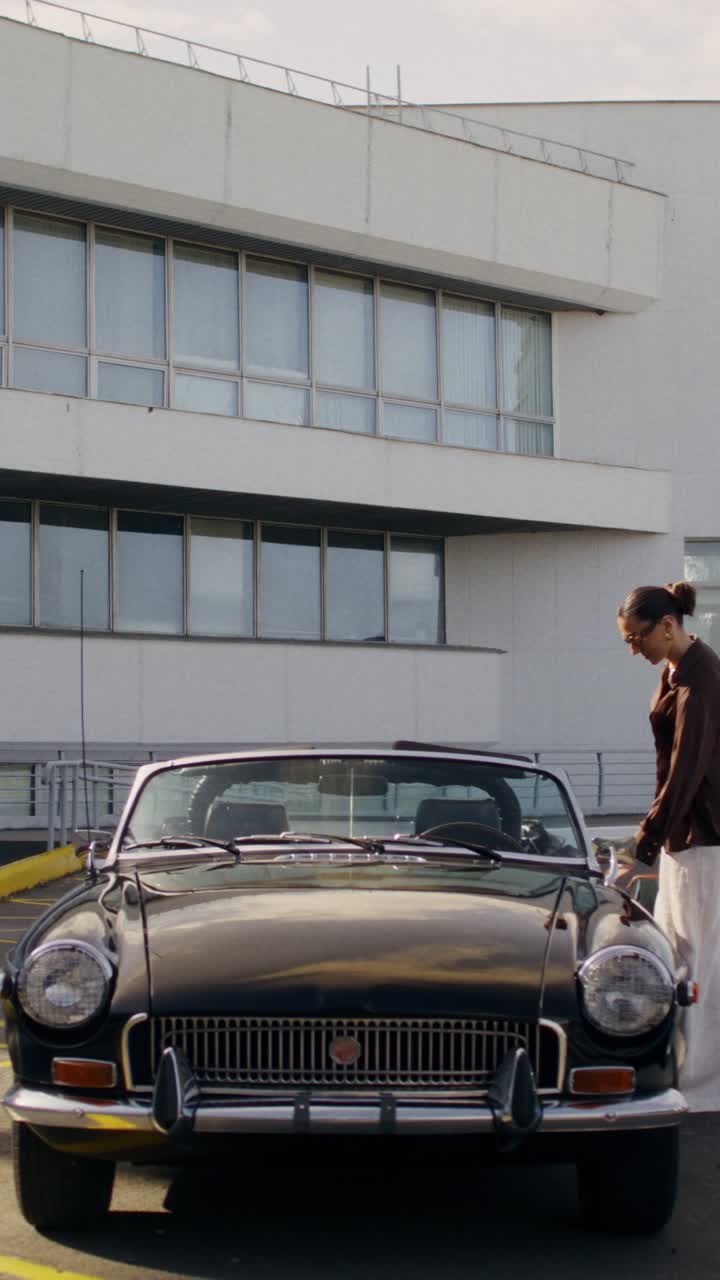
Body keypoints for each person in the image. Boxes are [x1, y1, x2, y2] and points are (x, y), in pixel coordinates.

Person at [617, 581, 720, 1110]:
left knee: (699, 965)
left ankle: (701, 1090)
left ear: (667, 626)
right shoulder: (676, 672)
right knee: (681, 958)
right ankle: (688, 1075)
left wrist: (646, 840)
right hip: (689, 839)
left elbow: (686, 771)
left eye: (637, 638)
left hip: (706, 843)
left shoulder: (701, 678)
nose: (634, 649)